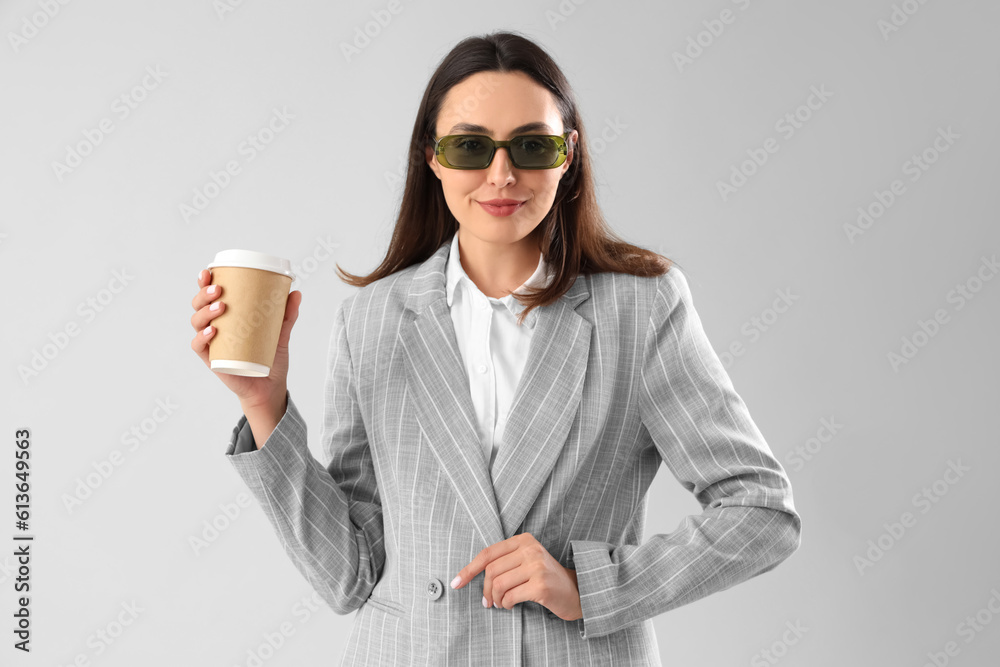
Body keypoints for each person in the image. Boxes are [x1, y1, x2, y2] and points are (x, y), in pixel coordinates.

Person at [189, 30, 801, 666]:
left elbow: (761, 512)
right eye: (470, 147)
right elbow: (352, 573)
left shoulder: (641, 308)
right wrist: (264, 404)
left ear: (568, 157)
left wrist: (593, 587)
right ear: (433, 157)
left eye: (532, 146)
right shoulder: (371, 320)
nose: (502, 174)